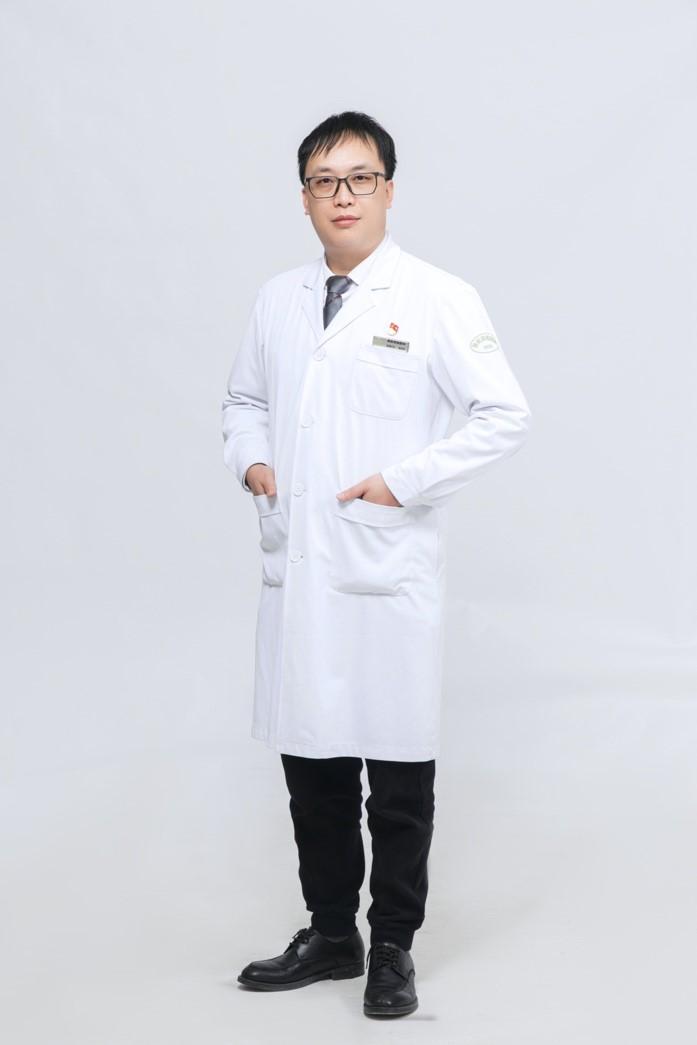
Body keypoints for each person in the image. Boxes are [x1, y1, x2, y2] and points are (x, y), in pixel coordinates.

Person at [221, 111, 532, 1018]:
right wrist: (254, 462)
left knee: (396, 777)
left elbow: (502, 414)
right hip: (301, 569)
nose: (343, 195)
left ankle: (391, 943)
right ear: (305, 198)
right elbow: (243, 399)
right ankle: (330, 934)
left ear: (388, 189)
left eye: (360, 178)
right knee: (312, 771)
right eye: (324, 181)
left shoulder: (436, 296)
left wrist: (404, 481)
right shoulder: (278, 298)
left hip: (383, 567)